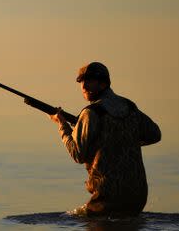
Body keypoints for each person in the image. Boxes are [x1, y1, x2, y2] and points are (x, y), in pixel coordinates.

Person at [49, 62, 161, 217]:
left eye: (89, 80)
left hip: (107, 199)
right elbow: (154, 134)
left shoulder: (90, 113)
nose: (83, 85)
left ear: (103, 83)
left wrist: (62, 125)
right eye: (81, 81)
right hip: (138, 198)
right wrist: (123, 141)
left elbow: (77, 154)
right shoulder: (129, 106)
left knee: (68, 219)